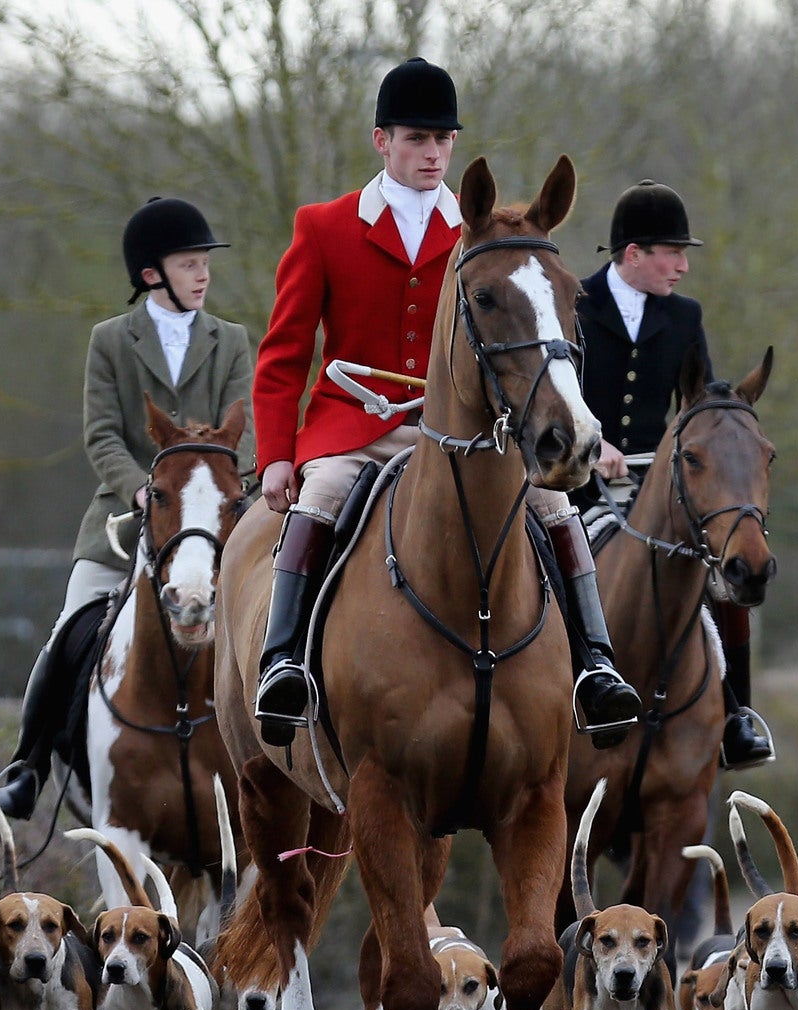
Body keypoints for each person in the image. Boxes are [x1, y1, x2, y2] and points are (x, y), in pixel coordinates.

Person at [249, 58, 639, 748]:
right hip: (354, 426)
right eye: (416, 140)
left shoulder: (481, 233)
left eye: (443, 141)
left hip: (461, 430)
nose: (432, 154)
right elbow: (283, 357)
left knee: (553, 504)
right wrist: (279, 456)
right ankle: (284, 664)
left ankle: (596, 667)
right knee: (325, 494)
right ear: (382, 141)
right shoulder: (323, 227)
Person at [0, 197, 250, 818]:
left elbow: (252, 430)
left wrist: (223, 490)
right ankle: (28, 766)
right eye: (190, 264)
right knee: (65, 632)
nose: (203, 275)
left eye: (204, 264)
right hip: (124, 519)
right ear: (152, 274)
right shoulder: (110, 341)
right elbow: (101, 434)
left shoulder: (232, 341)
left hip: (211, 523)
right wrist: (140, 488)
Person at [577, 181, 772, 770]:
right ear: (633, 254)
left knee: (726, 561)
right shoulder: (575, 304)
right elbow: (548, 394)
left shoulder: (685, 316)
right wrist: (592, 441)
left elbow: (699, 404)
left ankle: (736, 710)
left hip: (659, 480)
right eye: (673, 253)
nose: (684, 267)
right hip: (574, 476)